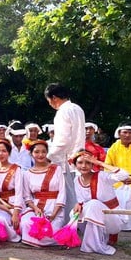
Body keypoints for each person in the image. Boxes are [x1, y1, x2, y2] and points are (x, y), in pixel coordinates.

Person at [71, 150, 129, 254]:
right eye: (80, 162)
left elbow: (124, 175)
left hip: (113, 219)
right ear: (75, 165)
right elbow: (81, 200)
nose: (83, 166)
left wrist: (100, 163)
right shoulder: (76, 180)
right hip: (94, 217)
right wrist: (78, 204)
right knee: (73, 213)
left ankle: (94, 245)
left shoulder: (102, 176)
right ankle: (96, 240)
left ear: (93, 164)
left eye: (88, 162)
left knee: (94, 204)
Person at [44, 83, 85, 215]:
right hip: (79, 156)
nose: (49, 104)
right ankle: (76, 224)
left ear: (54, 98)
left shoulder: (62, 112)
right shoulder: (78, 108)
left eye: (49, 100)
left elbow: (62, 140)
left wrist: (48, 157)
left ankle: (69, 226)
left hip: (66, 158)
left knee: (69, 194)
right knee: (78, 191)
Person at [20, 140, 66, 247]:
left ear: (47, 153)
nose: (40, 155)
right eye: (36, 152)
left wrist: (54, 214)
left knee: (50, 231)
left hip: (55, 207)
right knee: (26, 223)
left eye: (43, 152)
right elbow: (27, 197)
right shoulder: (27, 174)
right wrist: (35, 209)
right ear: (31, 153)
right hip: (36, 208)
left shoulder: (57, 169)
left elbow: (62, 192)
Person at [0, 139, 23, 243]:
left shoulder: (16, 169)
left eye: (4, 151)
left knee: (19, 221)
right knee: (0, 219)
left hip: (15, 203)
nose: (1, 154)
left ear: (9, 153)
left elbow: (20, 192)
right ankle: (13, 235)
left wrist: (15, 212)